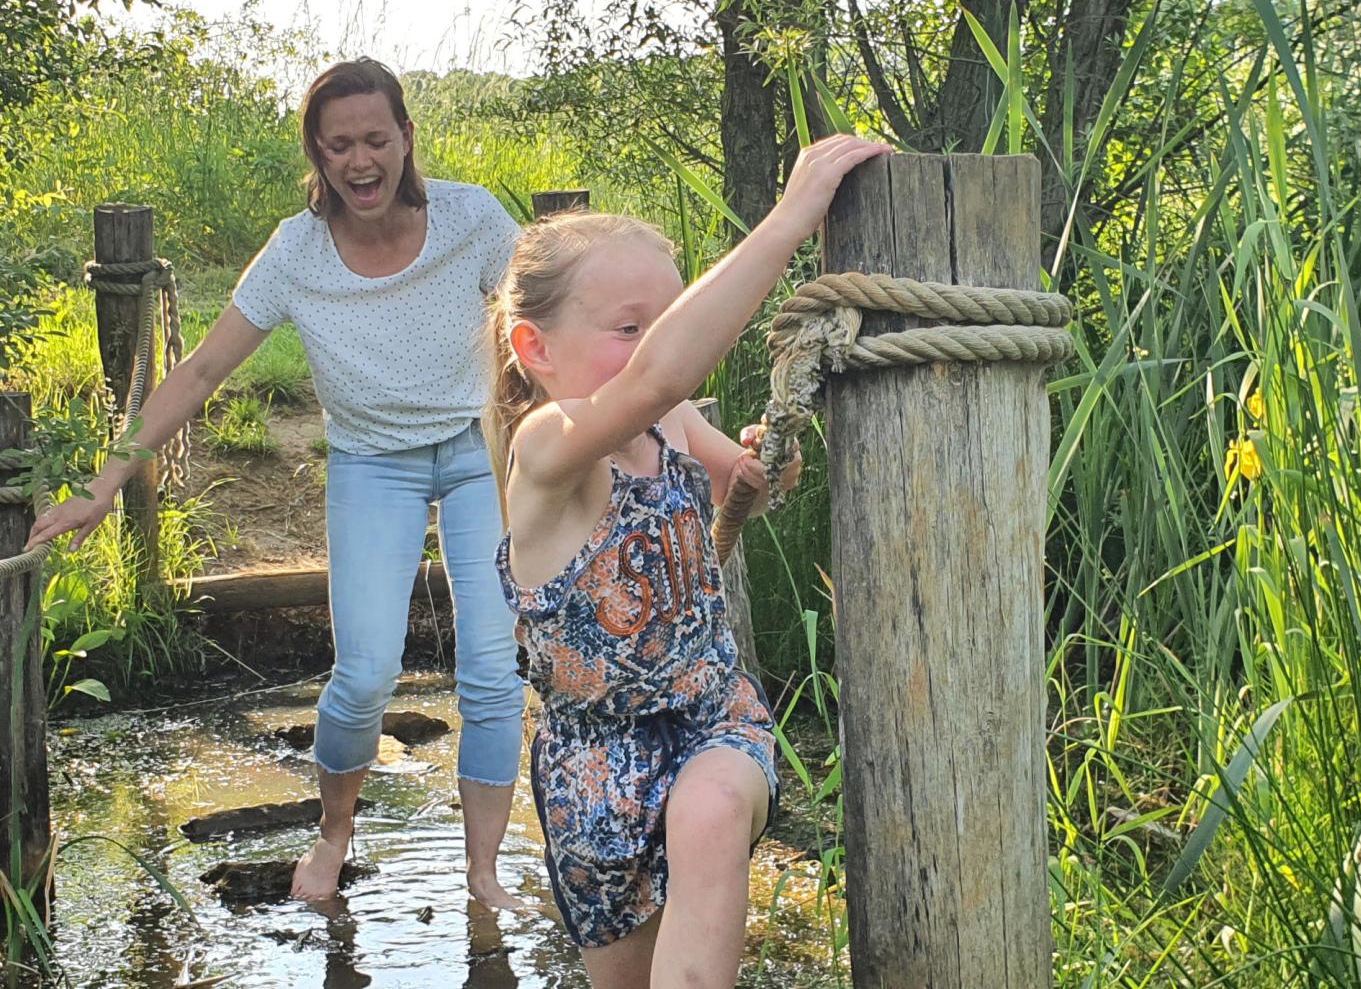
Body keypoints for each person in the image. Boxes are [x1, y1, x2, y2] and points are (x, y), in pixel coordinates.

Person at [25, 58, 526, 905]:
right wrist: (107, 481)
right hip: (372, 462)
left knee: (489, 667)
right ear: (318, 156)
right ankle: (334, 834)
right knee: (365, 672)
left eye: (376, 138)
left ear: (406, 137)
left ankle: (482, 873)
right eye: (340, 146)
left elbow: (549, 323)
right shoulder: (298, 252)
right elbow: (201, 371)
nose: (361, 161)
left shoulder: (472, 219)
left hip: (481, 451)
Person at [483, 133, 892, 988]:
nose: (655, 346)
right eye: (631, 328)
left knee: (708, 814)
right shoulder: (548, 450)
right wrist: (787, 222)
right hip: (589, 769)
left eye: (663, 323)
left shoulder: (666, 425)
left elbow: (745, 480)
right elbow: (660, 377)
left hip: (711, 718)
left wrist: (767, 463)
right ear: (536, 349)